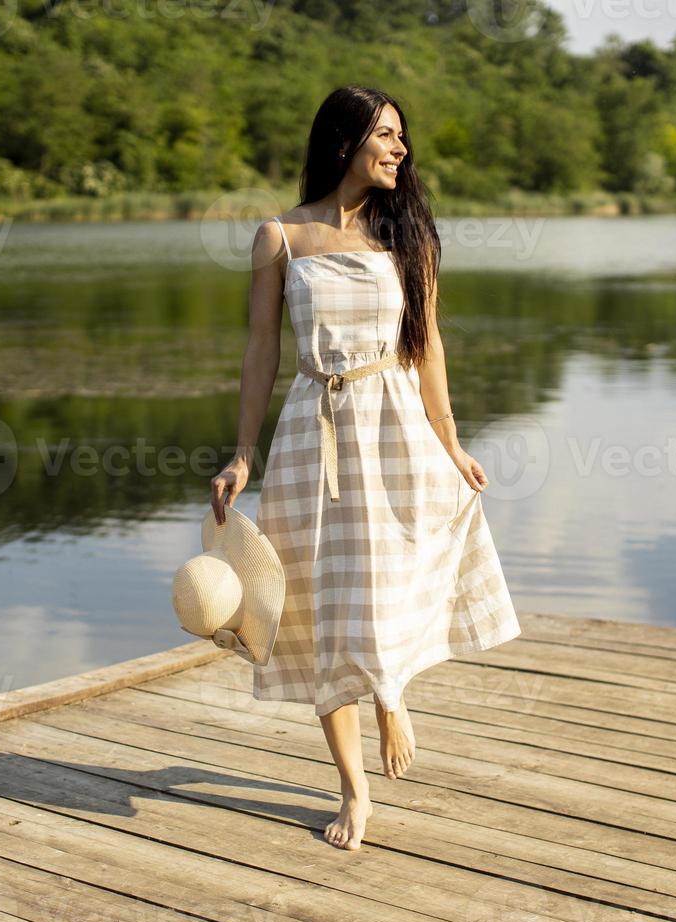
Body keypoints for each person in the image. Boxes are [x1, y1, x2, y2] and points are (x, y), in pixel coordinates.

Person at [209, 85, 521, 851]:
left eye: (402, 138)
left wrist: (452, 443)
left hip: (396, 425)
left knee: (386, 581)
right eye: (386, 135)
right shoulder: (279, 237)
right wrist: (243, 451)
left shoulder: (407, 236)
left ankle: (390, 689)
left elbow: (429, 346)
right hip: (314, 433)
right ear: (345, 141)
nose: (400, 149)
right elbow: (261, 352)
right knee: (316, 606)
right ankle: (353, 791)